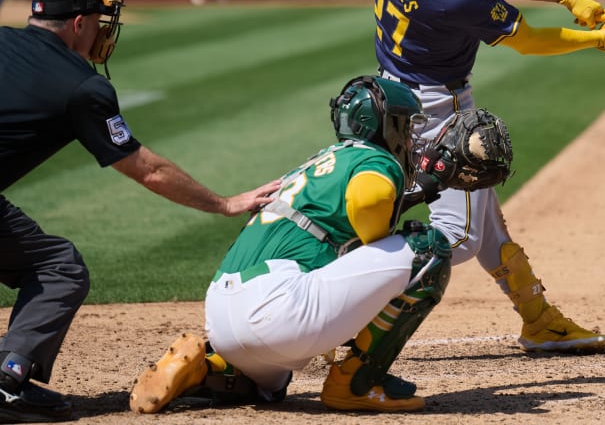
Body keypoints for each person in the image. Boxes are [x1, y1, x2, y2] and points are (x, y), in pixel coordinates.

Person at [0, 0, 280, 422]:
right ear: (79, 23)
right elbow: (146, 169)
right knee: (59, 267)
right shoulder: (81, 84)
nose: (103, 34)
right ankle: (8, 382)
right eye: (100, 23)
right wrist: (225, 203)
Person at [369, 0, 605, 354]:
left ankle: (539, 321)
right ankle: (352, 304)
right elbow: (528, 40)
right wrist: (596, 38)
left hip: (390, 99)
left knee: (488, 223)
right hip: (438, 113)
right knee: (462, 237)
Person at [128, 76, 465, 413]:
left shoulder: (320, 162)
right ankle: (357, 383)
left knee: (268, 386)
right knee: (427, 251)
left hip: (222, 317)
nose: (408, 136)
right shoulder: (377, 160)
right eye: (404, 126)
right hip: (277, 313)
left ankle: (208, 368)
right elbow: (369, 200)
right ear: (383, 126)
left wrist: (420, 189)